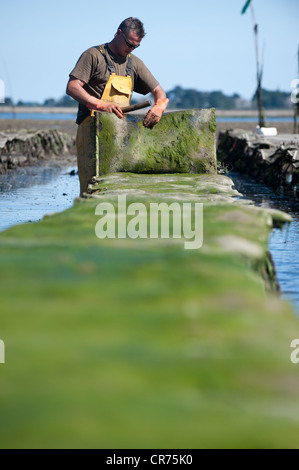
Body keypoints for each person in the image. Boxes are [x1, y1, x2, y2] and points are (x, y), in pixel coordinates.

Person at [66, 17, 169, 195]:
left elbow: (159, 92)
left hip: (119, 134)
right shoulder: (93, 55)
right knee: (93, 189)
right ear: (119, 33)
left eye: (136, 46)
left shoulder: (134, 63)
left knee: (117, 189)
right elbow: (72, 87)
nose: (131, 49)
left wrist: (159, 106)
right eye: (129, 44)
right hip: (92, 132)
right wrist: (99, 104)